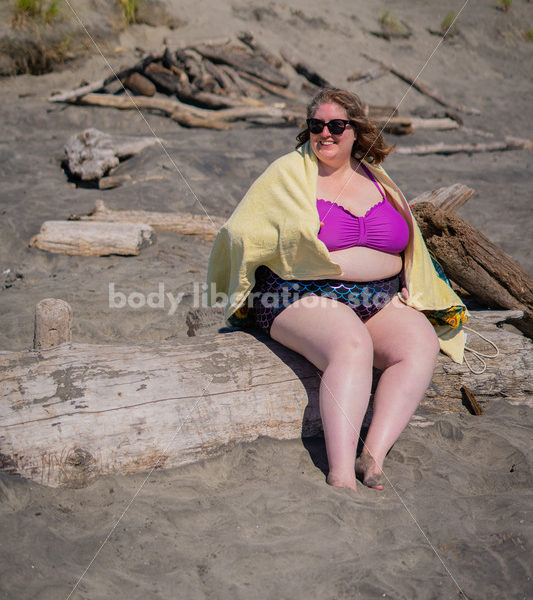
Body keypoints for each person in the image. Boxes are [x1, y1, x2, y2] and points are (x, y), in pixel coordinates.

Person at [207, 88, 467, 492]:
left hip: (375, 297)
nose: (325, 134)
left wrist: (399, 277)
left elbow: (405, 239)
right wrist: (296, 253)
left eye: (336, 125)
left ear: (356, 130)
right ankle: (342, 473)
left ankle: (373, 456)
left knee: (420, 345)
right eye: (316, 126)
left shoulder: (373, 176)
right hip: (298, 294)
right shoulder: (289, 174)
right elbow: (240, 230)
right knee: (351, 346)